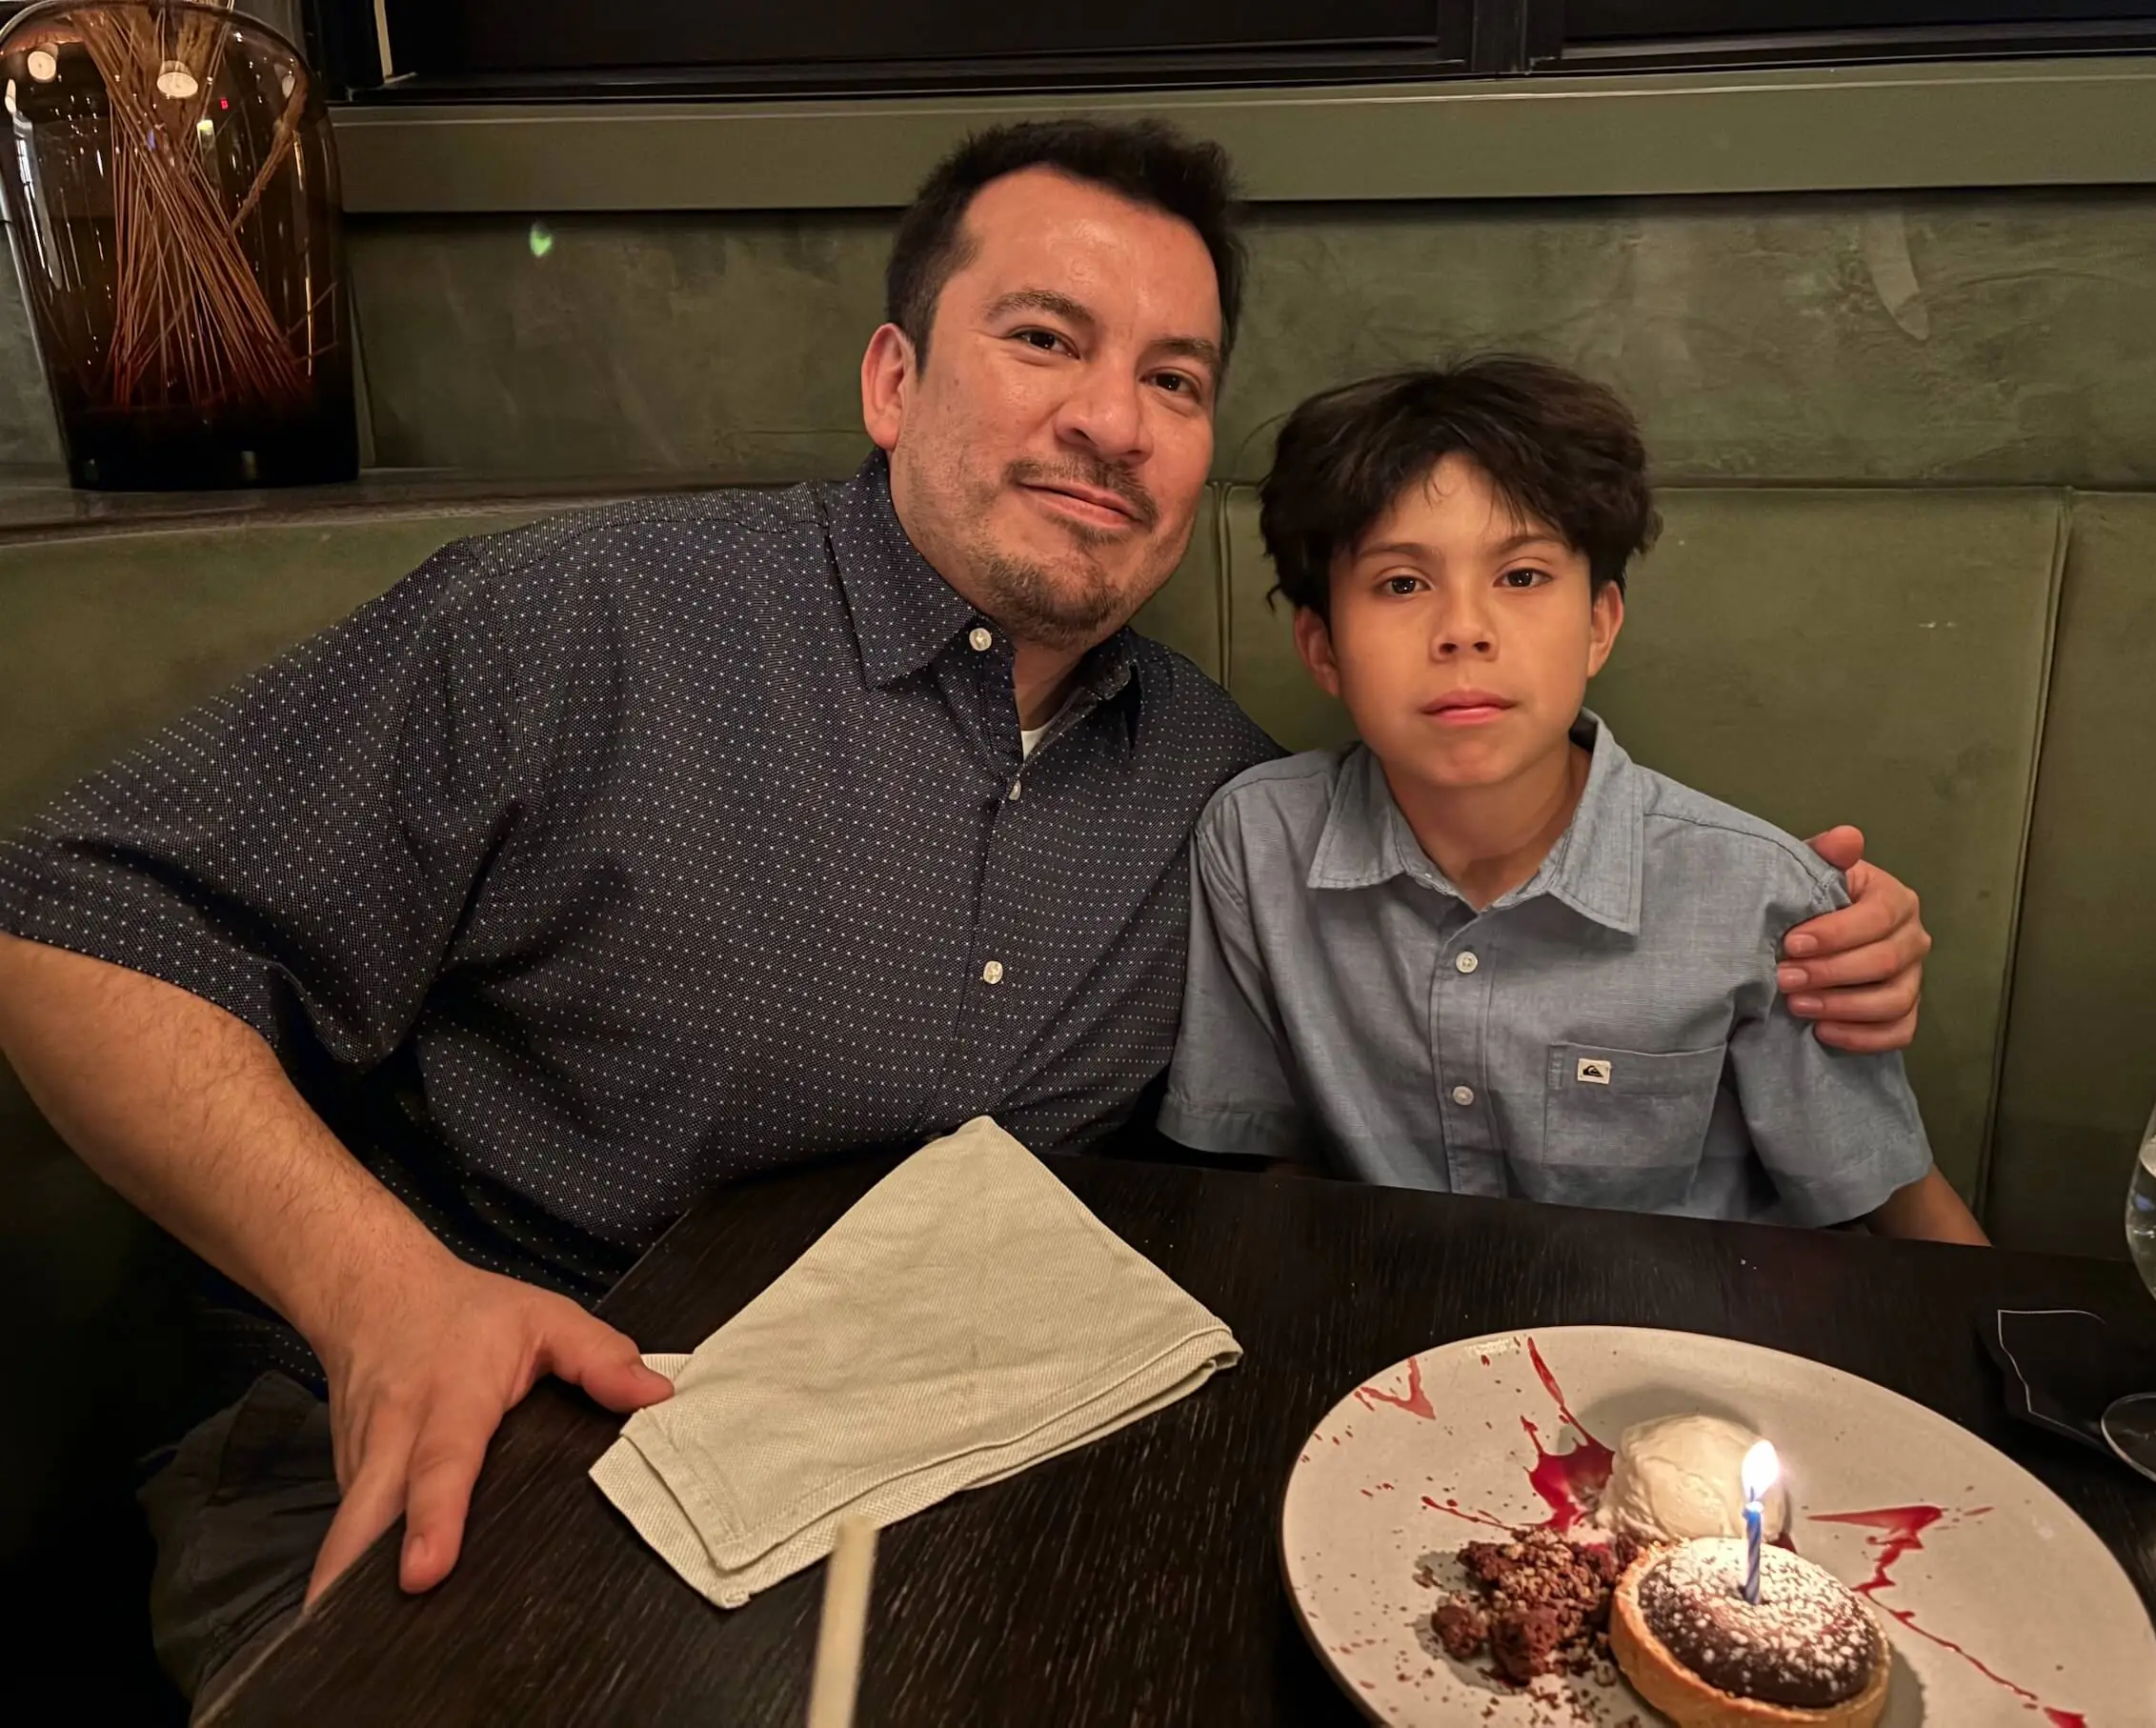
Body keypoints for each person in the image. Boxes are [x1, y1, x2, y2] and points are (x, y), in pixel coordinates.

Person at [0, 124, 1933, 1711]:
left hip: (939, 1479)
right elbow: (69, 917)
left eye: (1172, 380)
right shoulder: (585, 626)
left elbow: (1453, 929)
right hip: (479, 1443)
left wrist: (1809, 939)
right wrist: (379, 1291)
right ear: (893, 375)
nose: (1112, 418)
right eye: (1043, 340)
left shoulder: (1215, 793)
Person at [1158, 356, 1985, 1242]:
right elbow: (1261, 1159)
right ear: (1322, 649)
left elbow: (1894, 1211)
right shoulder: (1254, 840)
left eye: (1521, 576)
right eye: (1402, 583)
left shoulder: (1759, 897)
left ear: (1598, 624)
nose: (1463, 630)